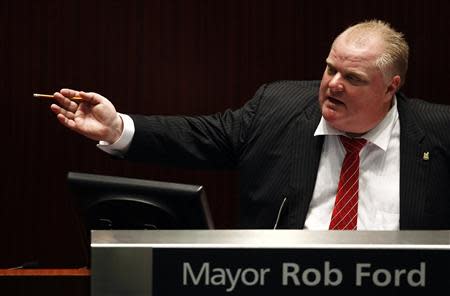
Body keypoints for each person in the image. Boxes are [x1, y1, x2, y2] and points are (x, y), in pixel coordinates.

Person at [50, 20, 450, 230]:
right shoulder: (279, 107)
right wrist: (117, 128)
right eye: (330, 69)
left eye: (354, 79)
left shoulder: (438, 131)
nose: (332, 85)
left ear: (391, 87)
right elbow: (202, 136)